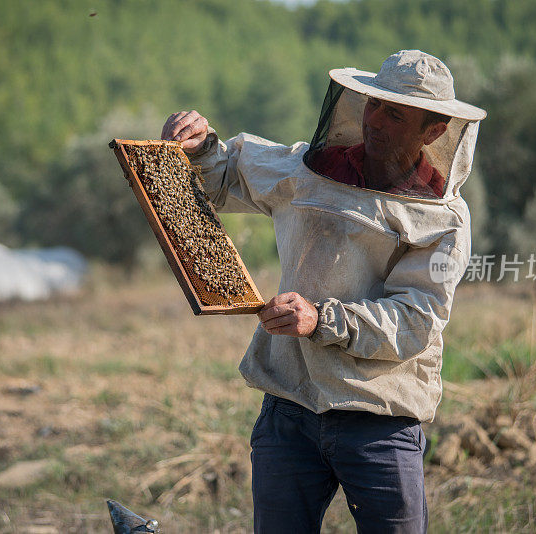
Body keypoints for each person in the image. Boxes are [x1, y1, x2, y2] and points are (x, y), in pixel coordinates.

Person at [161, 50, 486, 533]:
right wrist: (202, 144)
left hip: (378, 417)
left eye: (394, 113)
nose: (373, 119)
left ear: (433, 131)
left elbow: (415, 320)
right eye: (373, 103)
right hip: (289, 405)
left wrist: (321, 318)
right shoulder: (307, 169)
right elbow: (224, 178)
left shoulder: (443, 222)